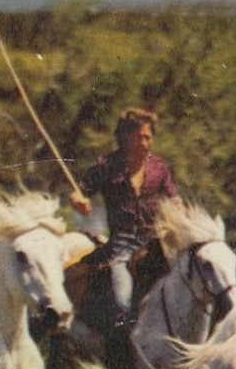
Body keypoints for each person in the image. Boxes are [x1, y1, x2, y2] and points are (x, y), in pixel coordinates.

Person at [69, 108, 180, 339]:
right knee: (123, 302)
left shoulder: (159, 169)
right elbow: (80, 192)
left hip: (153, 246)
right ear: (125, 136)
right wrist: (79, 200)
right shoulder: (106, 165)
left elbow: (173, 199)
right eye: (138, 136)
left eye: (148, 137)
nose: (143, 142)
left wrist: (179, 211)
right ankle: (120, 352)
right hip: (121, 246)